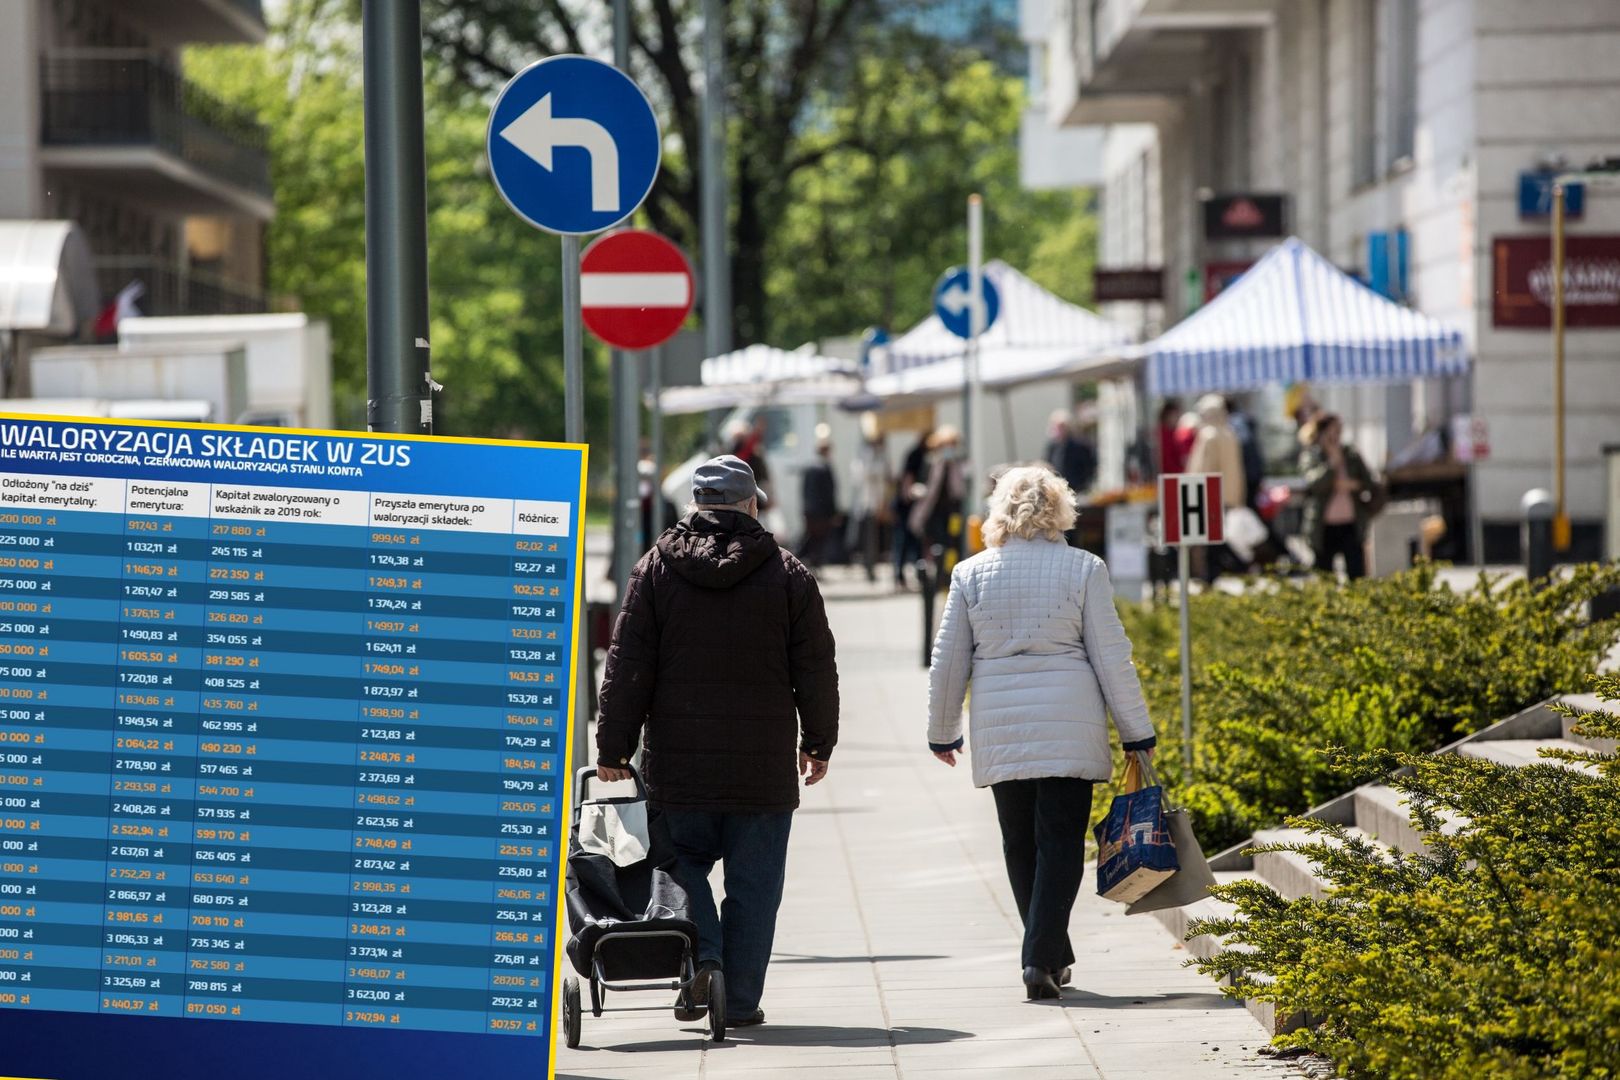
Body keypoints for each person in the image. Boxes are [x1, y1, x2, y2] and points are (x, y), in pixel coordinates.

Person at [596, 455, 840, 1029]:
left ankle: (707, 961)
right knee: (755, 890)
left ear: (696, 505)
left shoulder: (655, 570)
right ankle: (743, 998)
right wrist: (819, 743)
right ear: (753, 505)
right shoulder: (789, 574)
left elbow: (628, 666)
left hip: (680, 769)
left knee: (679, 867)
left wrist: (612, 748)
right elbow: (817, 668)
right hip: (762, 774)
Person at [926, 466, 1157, 1001]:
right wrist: (1136, 731)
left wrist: (942, 731)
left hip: (1001, 723)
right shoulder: (1083, 568)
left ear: (998, 512)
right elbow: (1111, 656)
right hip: (1068, 722)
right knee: (1059, 842)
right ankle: (1041, 958)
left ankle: (1046, 952)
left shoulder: (970, 573)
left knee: (1018, 843)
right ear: (1061, 509)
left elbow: (948, 660)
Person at [1299, 412, 1376, 580]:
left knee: (1357, 576)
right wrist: (1332, 465)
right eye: (1332, 430)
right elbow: (1314, 483)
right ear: (1322, 432)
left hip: (1351, 524)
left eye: (1339, 430)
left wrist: (1352, 485)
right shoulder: (1313, 456)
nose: (1336, 434)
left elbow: (1369, 482)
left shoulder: (1351, 454)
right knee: (1325, 577)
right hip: (1323, 525)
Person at [1186, 394, 1247, 581]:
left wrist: (1190, 490)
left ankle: (1232, 567)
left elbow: (1203, 469)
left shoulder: (1209, 435)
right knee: (1217, 536)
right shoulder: (1230, 433)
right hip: (1227, 495)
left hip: (1208, 495)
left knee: (1211, 539)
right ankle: (1228, 568)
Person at [908, 426, 966, 562]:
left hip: (953, 511)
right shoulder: (930, 462)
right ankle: (937, 572)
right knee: (936, 542)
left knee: (953, 542)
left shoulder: (958, 463)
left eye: (952, 445)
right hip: (933, 511)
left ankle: (950, 570)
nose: (949, 448)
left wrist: (954, 467)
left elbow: (962, 489)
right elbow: (921, 483)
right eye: (946, 445)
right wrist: (918, 491)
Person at [850, 419, 890, 582]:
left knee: (876, 539)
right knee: (869, 539)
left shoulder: (879, 455)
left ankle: (872, 567)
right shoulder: (864, 456)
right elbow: (861, 475)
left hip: (877, 503)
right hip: (867, 503)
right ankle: (869, 568)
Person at [892, 430, 930, 588]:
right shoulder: (915, 454)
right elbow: (907, 478)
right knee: (904, 541)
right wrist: (910, 496)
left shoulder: (923, 454)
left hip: (914, 506)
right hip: (907, 507)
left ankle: (915, 575)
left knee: (914, 542)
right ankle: (900, 576)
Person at [799, 433, 838, 569]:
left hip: (809, 509)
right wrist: (833, 512)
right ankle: (815, 564)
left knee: (811, 538)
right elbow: (830, 492)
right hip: (822, 511)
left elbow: (803, 490)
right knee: (819, 540)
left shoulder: (809, 467)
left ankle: (810, 563)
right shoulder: (825, 468)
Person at [1043, 409, 1098, 498]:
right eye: (1056, 427)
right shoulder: (1052, 447)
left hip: (1077, 490)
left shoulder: (1080, 445)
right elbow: (1047, 464)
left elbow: (1089, 467)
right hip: (1058, 489)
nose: (1058, 430)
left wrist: (1084, 484)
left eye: (1061, 427)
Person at [1156, 399, 1190, 476]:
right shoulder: (1162, 434)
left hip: (1175, 474)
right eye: (1174, 415)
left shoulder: (1176, 432)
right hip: (1169, 475)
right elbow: (1167, 460)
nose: (1177, 418)